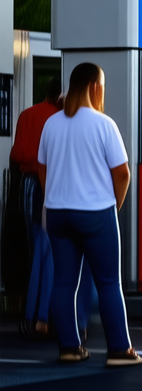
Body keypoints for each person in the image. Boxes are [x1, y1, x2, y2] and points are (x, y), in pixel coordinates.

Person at [36, 63, 140, 366]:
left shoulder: (51, 124)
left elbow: (42, 168)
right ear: (95, 87)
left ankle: (69, 347)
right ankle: (119, 350)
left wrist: (54, 196)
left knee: (63, 283)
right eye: (102, 85)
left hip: (58, 214)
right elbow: (122, 173)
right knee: (108, 282)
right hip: (96, 212)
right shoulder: (103, 124)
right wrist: (114, 205)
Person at [9, 77, 91, 338]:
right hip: (58, 192)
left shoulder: (29, 116)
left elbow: (17, 156)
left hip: (30, 187)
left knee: (37, 253)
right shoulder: (64, 122)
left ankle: (33, 315)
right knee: (57, 256)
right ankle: (53, 318)